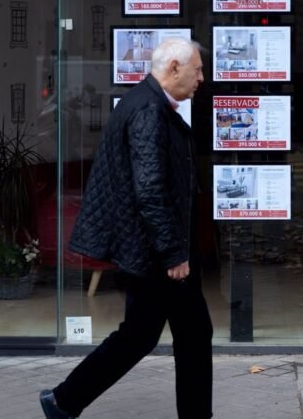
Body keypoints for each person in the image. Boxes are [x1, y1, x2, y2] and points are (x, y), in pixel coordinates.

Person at [39, 38, 212, 418]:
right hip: (155, 253)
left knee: (169, 334)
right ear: (173, 69)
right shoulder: (149, 112)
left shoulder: (149, 104)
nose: (201, 77)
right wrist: (174, 253)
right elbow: (150, 190)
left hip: (152, 248)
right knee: (162, 335)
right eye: (197, 69)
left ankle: (64, 400)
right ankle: (63, 400)